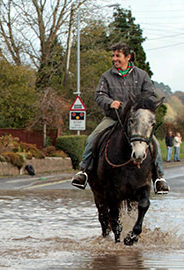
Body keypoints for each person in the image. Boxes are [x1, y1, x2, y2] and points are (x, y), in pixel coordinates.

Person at [71, 42, 169, 194]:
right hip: (113, 118)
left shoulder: (141, 75)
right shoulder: (107, 76)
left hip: (135, 121)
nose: (114, 59)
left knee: (153, 142)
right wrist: (110, 102)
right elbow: (99, 95)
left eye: (118, 56)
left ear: (128, 57)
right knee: (93, 137)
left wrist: (139, 103)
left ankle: (159, 178)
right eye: (113, 56)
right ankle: (84, 171)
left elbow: (150, 95)